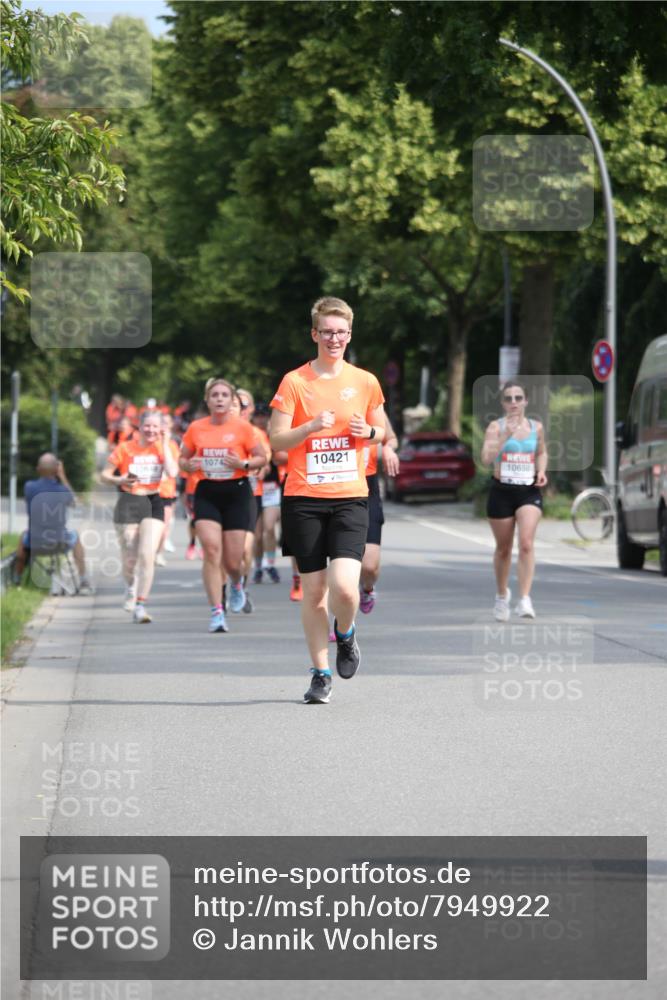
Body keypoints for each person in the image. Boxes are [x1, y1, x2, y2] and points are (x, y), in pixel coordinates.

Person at [270, 296, 386, 704]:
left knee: (346, 591)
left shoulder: (365, 381)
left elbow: (383, 431)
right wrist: (307, 429)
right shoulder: (295, 382)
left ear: (349, 334)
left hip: (351, 496)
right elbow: (276, 439)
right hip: (304, 497)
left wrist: (367, 433)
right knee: (314, 591)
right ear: (314, 333)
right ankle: (320, 672)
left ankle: (347, 633)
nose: (334, 338)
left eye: (341, 332)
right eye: (327, 331)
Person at [179, 378, 267, 633]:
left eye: (224, 395)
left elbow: (261, 457)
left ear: (231, 401)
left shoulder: (243, 429)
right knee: (211, 549)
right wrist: (188, 465)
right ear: (207, 401)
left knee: (232, 560)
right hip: (207, 491)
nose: (219, 399)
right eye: (214, 395)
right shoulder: (196, 428)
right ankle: (217, 611)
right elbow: (182, 459)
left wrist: (243, 465)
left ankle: (237, 583)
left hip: (237, 493)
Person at [101, 409, 179, 623]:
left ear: (161, 428)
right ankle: (130, 586)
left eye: (155, 426)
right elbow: (104, 475)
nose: (151, 430)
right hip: (129, 501)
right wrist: (121, 479)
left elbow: (172, 472)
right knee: (130, 556)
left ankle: (141, 605)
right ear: (140, 427)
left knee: (147, 555)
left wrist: (164, 444)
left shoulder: (167, 448)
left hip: (154, 501)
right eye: (147, 426)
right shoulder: (125, 448)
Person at [480, 381, 547, 620]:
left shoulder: (536, 427)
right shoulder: (495, 427)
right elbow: (486, 458)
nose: (514, 402)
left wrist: (541, 470)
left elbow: (541, 452)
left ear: (526, 401)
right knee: (504, 549)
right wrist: (505, 436)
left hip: (528, 490)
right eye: (508, 398)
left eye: (518, 397)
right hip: (502, 490)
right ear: (503, 403)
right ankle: (501, 596)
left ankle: (525, 599)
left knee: (526, 543)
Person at [13, 453, 93, 593]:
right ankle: (83, 580)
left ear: (38, 469)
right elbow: (74, 502)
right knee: (76, 536)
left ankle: (17, 579)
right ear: (56, 470)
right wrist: (62, 476)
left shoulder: (29, 487)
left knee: (23, 535)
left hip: (35, 542)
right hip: (59, 542)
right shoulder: (62, 490)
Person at [358, 414, 400, 614]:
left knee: (369, 567)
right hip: (336, 488)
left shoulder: (373, 406)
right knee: (340, 564)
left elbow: (391, 438)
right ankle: (341, 622)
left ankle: (367, 588)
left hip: (367, 488)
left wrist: (388, 448)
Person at [250, 402, 286, 587]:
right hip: (254, 487)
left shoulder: (274, 435)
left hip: (272, 487)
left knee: (269, 528)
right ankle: (258, 566)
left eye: (265, 416)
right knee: (256, 535)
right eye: (258, 416)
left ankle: (270, 564)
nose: (261, 419)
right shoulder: (249, 435)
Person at [156, 414, 180, 565]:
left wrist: (164, 444)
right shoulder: (145, 443)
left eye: (166, 423)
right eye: (161, 423)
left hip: (165, 491)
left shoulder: (172, 445)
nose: (163, 426)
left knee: (163, 527)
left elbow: (172, 471)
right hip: (145, 492)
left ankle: (158, 553)